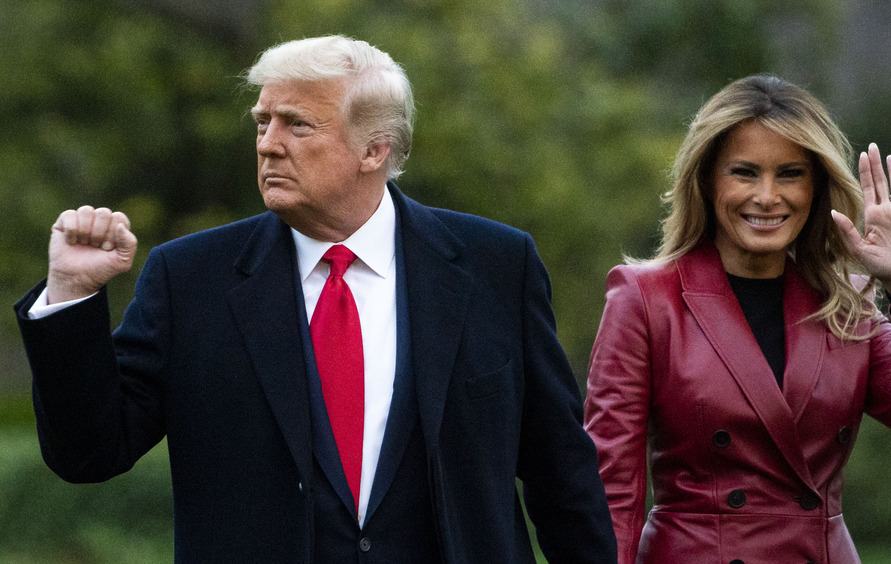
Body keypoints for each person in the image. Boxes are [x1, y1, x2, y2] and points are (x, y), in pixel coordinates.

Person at [14, 35, 616, 563]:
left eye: (297, 124)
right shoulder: (190, 277)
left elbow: (560, 469)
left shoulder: (496, 265)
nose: (268, 144)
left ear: (374, 149)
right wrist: (71, 294)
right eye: (261, 122)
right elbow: (88, 453)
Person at [583, 74, 891, 564]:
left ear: (817, 187)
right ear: (707, 180)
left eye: (790, 173)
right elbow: (611, 486)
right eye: (745, 173)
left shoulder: (847, 301)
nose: (768, 197)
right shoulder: (644, 298)